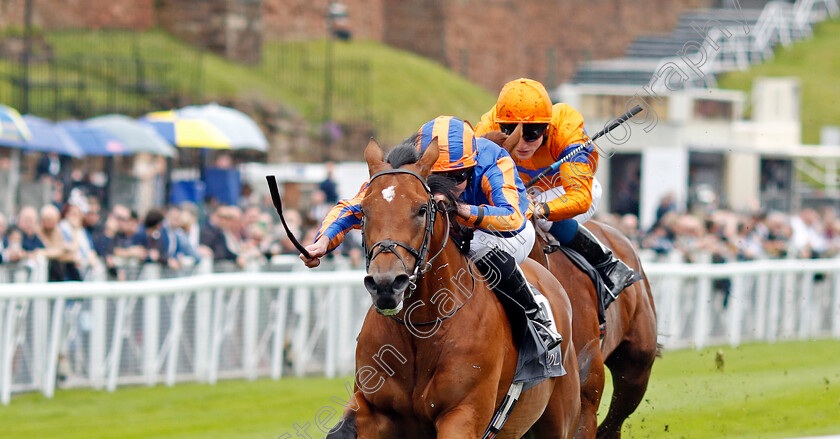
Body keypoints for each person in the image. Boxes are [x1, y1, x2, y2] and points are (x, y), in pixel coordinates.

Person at [301, 116, 561, 350]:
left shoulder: (493, 159)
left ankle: (536, 316)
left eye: (457, 176)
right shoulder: (410, 168)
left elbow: (512, 218)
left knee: (476, 245)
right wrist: (323, 241)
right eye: (438, 178)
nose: (447, 186)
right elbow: (359, 205)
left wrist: (461, 209)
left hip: (507, 233)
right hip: (452, 230)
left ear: (471, 166)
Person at [474, 78, 642, 302]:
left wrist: (540, 208)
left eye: (532, 132)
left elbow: (580, 198)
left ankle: (607, 264)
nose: (521, 142)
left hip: (569, 189)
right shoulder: (487, 128)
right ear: (499, 125)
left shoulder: (565, 127)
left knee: (536, 218)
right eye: (510, 130)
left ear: (547, 127)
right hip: (523, 190)